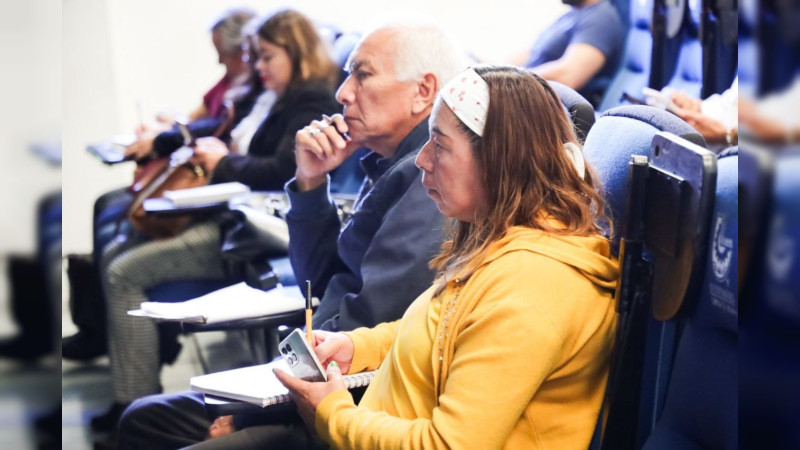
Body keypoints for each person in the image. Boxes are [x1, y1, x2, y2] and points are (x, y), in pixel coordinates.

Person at [117, 15, 469, 449]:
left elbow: (368, 325)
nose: (342, 94)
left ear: (422, 91)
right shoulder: (384, 161)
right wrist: (309, 183)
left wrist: (255, 409)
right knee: (143, 417)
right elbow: (316, 279)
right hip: (317, 379)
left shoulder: (426, 177)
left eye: (363, 75)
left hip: (349, 404)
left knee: (151, 424)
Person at [274, 65, 620, 449]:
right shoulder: (505, 239)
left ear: (497, 162)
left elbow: (449, 445)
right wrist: (360, 347)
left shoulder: (532, 289)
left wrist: (332, 415)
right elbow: (452, 334)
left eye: (439, 144)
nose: (422, 159)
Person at [91, 9, 341, 433]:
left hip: (245, 230)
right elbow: (211, 126)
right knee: (117, 243)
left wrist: (224, 163)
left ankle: (132, 399)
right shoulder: (267, 96)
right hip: (226, 211)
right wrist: (180, 139)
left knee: (123, 271)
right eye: (255, 58)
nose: (258, 68)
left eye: (266, 58)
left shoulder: (312, 102)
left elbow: (281, 170)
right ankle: (135, 370)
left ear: (296, 53)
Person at [126, 7, 257, 160]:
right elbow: (192, 119)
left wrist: (162, 138)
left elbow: (215, 126)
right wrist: (165, 128)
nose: (219, 61)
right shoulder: (227, 82)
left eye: (223, 54)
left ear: (242, 53)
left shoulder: (254, 92)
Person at [522, 0, 625, 107]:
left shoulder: (601, 20)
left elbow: (567, 77)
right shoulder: (572, 14)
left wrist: (514, 80)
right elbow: (533, 52)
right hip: (530, 93)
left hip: (551, 107)